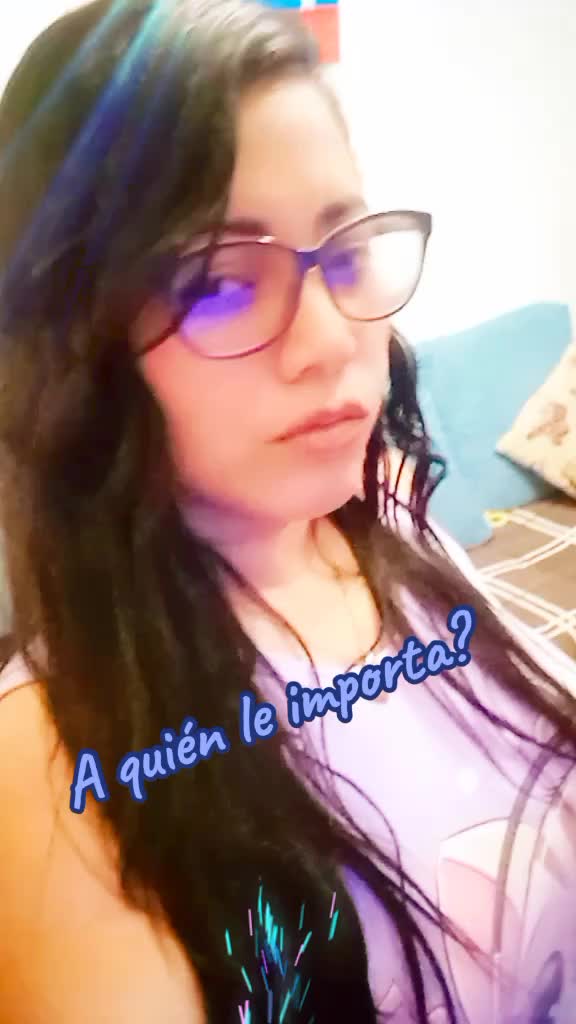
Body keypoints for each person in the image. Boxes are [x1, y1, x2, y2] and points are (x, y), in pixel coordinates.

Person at [0, 2, 574, 1021]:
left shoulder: (396, 528)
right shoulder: (49, 771)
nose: (331, 339)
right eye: (220, 284)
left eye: (344, 254)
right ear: (74, 345)